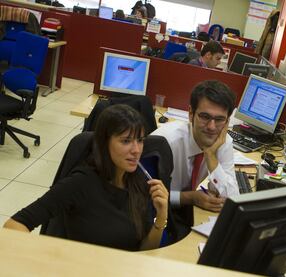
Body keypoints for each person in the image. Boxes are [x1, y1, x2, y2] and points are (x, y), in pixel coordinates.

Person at [3, 105, 169, 251]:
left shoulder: (139, 182)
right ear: (104, 143)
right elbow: (14, 225)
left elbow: (143, 251)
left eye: (140, 140)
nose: (136, 150)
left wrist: (161, 218)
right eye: (126, 141)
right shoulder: (81, 183)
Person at [151, 80, 239, 215]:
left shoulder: (223, 142)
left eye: (220, 119)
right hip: (155, 215)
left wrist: (210, 155)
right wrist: (190, 198)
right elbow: (141, 195)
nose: (211, 127)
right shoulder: (165, 141)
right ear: (191, 113)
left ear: (227, 121)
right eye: (205, 116)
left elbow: (232, 198)